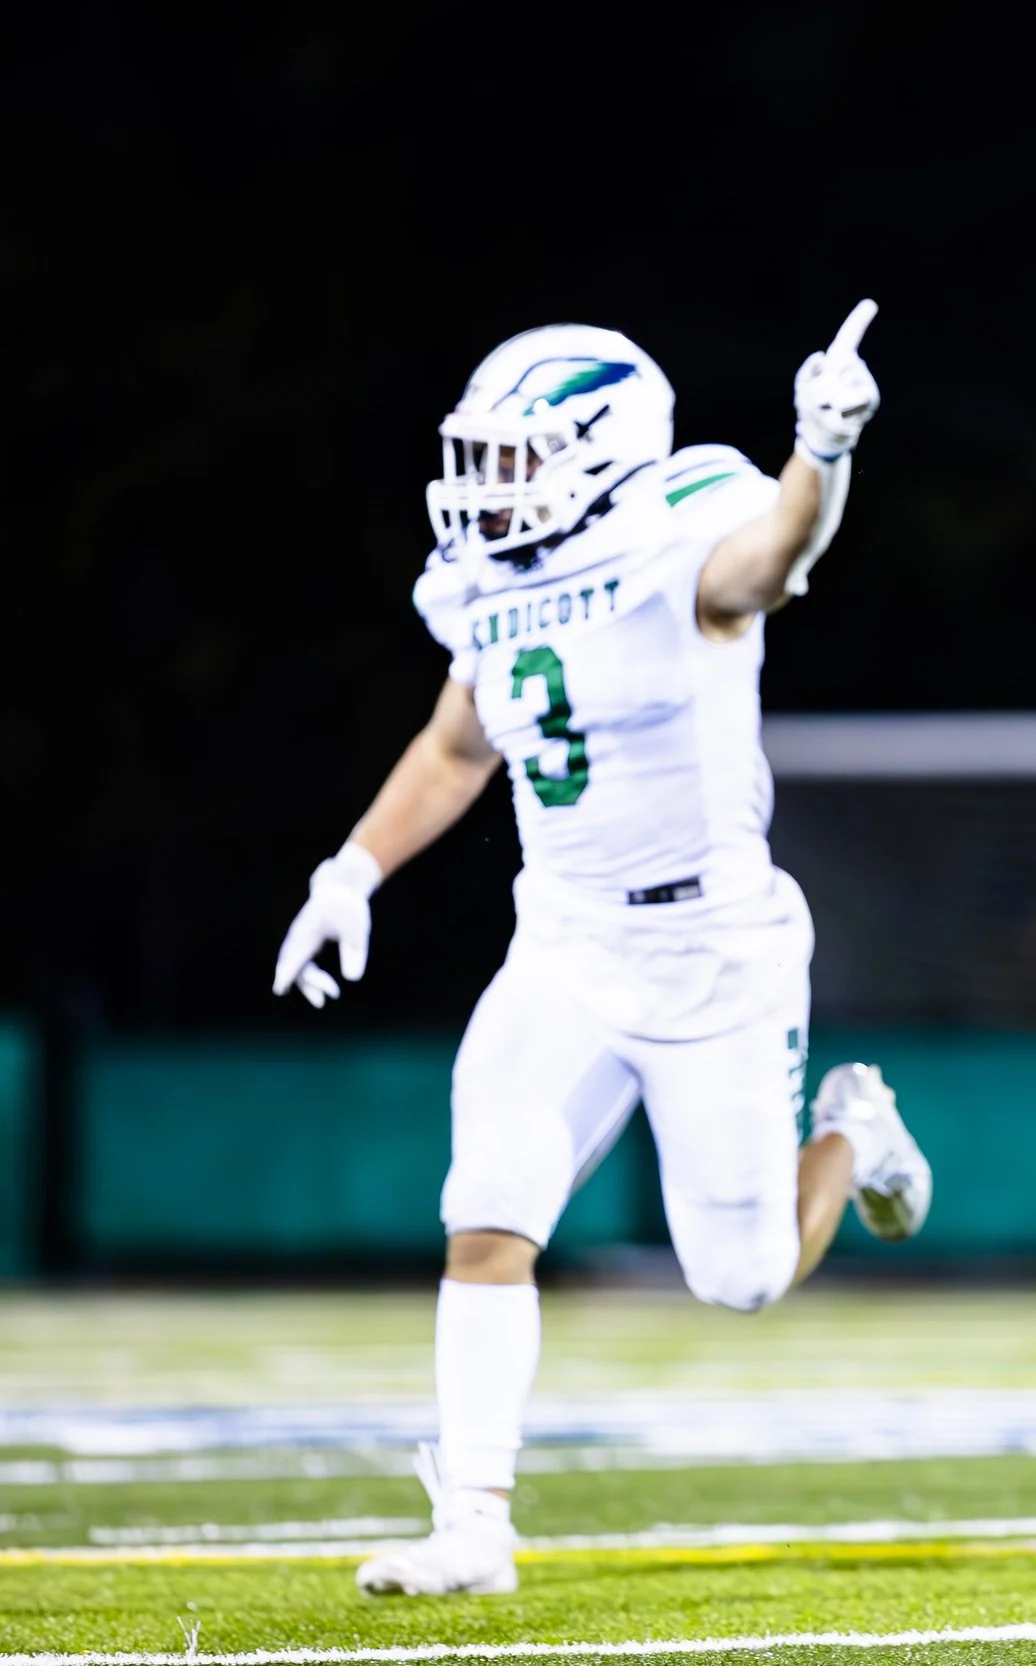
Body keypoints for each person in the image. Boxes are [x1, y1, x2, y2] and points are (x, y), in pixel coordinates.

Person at [270, 307, 933, 1595]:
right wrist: (351, 869)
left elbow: (771, 554)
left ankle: (858, 1133)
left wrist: (824, 452)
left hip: (715, 945)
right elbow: (460, 746)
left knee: (737, 1280)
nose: (487, 487)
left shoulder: (678, 538)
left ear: (602, 451)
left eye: (516, 458)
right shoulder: (484, 584)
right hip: (564, 939)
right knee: (487, 1214)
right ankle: (475, 1525)